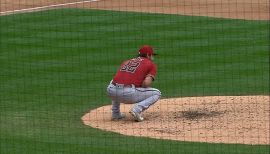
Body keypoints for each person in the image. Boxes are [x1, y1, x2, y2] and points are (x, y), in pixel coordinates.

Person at [107, 45, 161, 122]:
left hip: (111, 91)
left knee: (115, 81)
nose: (153, 58)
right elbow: (146, 83)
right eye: (152, 55)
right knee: (157, 93)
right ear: (148, 55)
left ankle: (115, 113)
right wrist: (141, 85)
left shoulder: (127, 61)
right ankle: (137, 109)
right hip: (127, 94)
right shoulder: (150, 64)